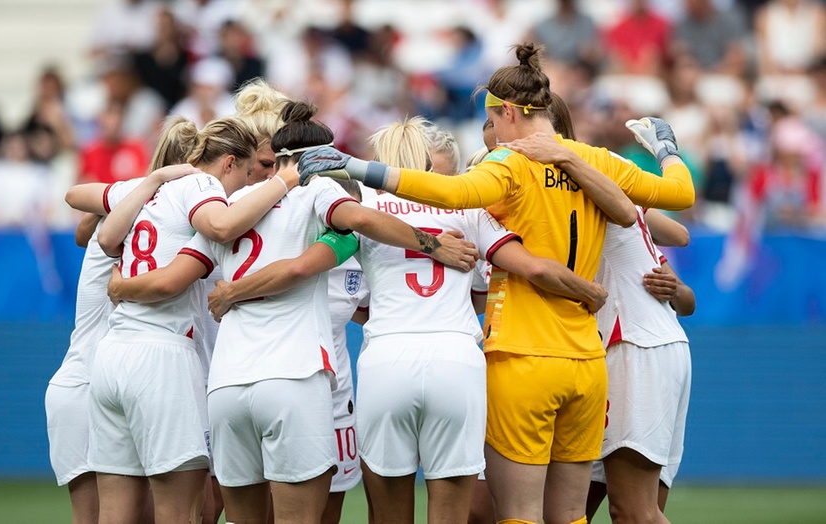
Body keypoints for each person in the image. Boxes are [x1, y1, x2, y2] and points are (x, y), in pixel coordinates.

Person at [297, 42, 696, 524]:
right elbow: (681, 195)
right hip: (588, 359)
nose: (491, 138)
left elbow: (453, 193)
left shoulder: (507, 165)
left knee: (518, 513)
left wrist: (354, 166)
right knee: (571, 514)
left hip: (521, 356)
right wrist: (667, 151)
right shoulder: (596, 161)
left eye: (491, 124)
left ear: (506, 112)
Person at [102, 101, 479, 524]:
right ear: (322, 158)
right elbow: (353, 222)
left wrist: (121, 286)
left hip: (227, 384)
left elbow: (172, 275)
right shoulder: (318, 189)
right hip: (293, 377)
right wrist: (431, 244)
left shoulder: (235, 203)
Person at [65, 114, 301, 523]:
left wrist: (153, 179)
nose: (246, 186)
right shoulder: (203, 187)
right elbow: (221, 226)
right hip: (162, 358)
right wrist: (285, 182)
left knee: (116, 513)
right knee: (182, 512)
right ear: (227, 163)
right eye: (247, 174)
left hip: (112, 356)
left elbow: (100, 234)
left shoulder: (153, 192)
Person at [545, 91, 696, 524]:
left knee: (632, 512)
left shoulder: (581, 174)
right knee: (575, 511)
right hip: (645, 343)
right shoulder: (603, 172)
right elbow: (678, 234)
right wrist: (665, 154)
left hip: (632, 345)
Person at [47, 161, 196, 524]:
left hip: (75, 381)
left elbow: (83, 222)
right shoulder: (163, 223)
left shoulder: (122, 215)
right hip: (109, 378)